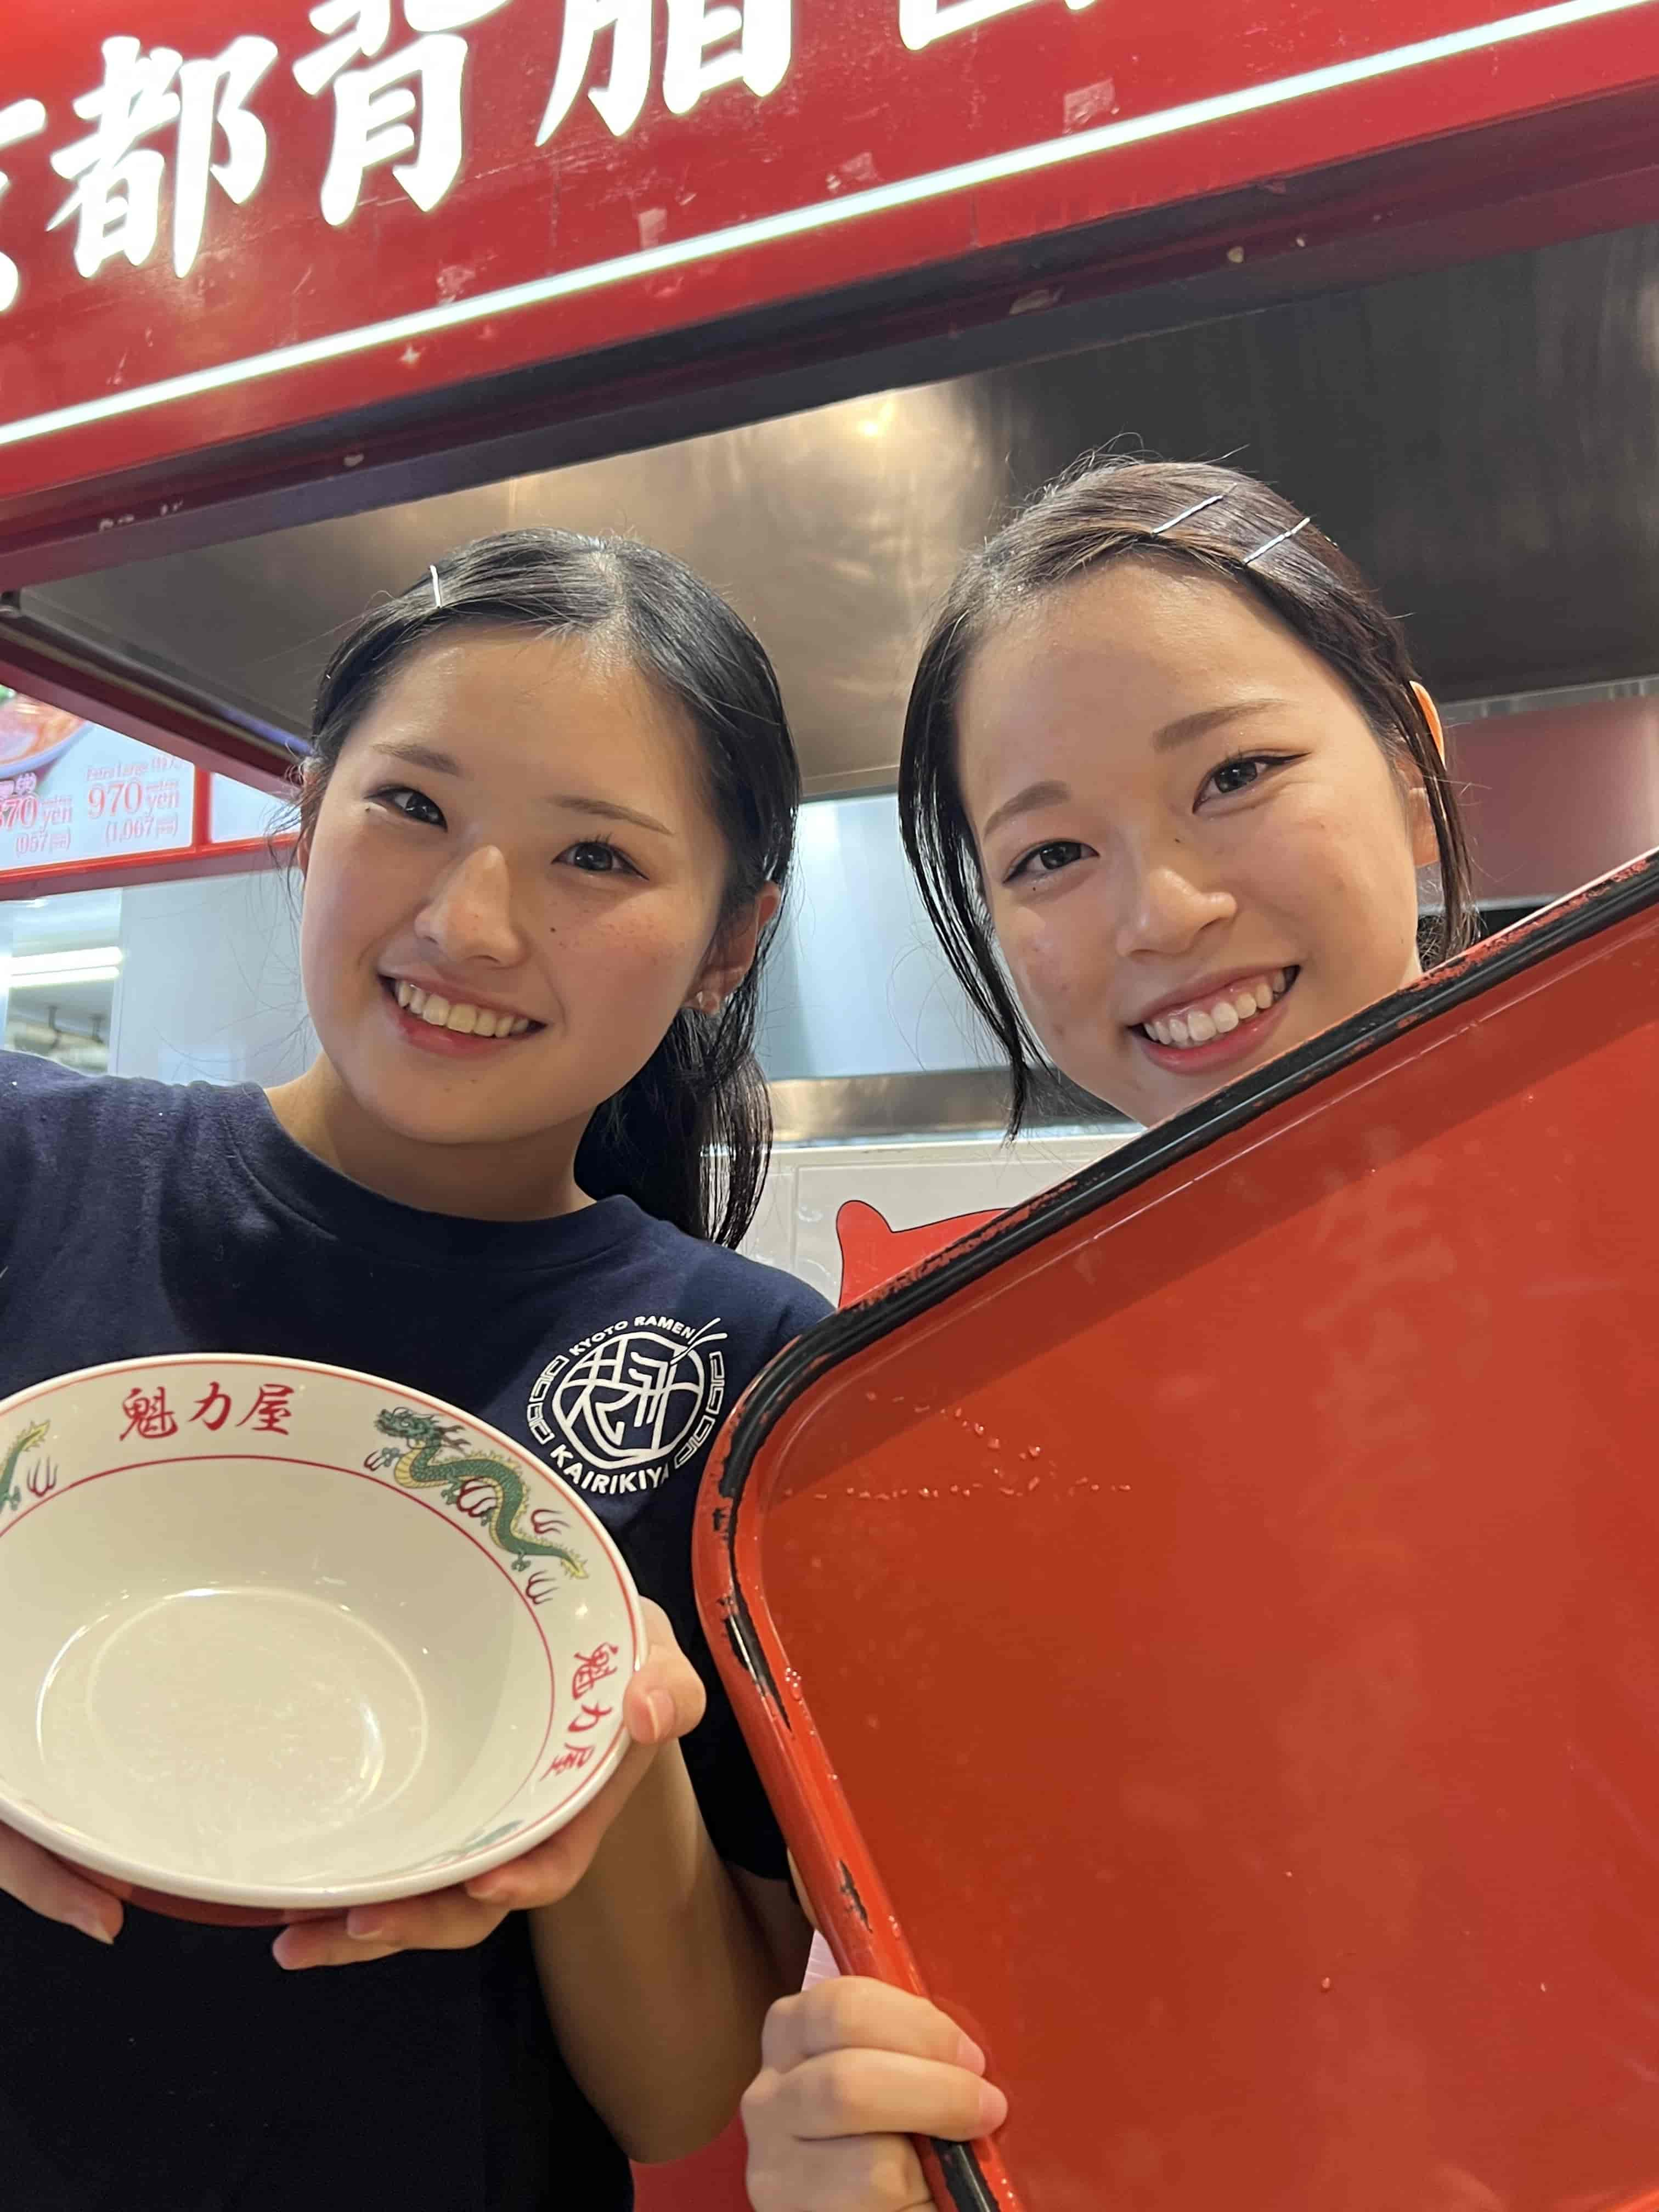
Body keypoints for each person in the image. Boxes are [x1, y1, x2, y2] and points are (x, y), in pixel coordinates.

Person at [0, 529, 828, 2211]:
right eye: (412, 808)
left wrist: (615, 1722)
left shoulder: (753, 1372)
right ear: (305, 823)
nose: (472, 923)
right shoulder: (30, 1169)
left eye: (595, 855)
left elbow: (679, 2096)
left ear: (730, 942)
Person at [739, 456, 1475, 2209]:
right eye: (1054, 853)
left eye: (1235, 775)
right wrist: (870, 2131)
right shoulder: (947, 1405)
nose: (1161, 914)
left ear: (1419, 769)